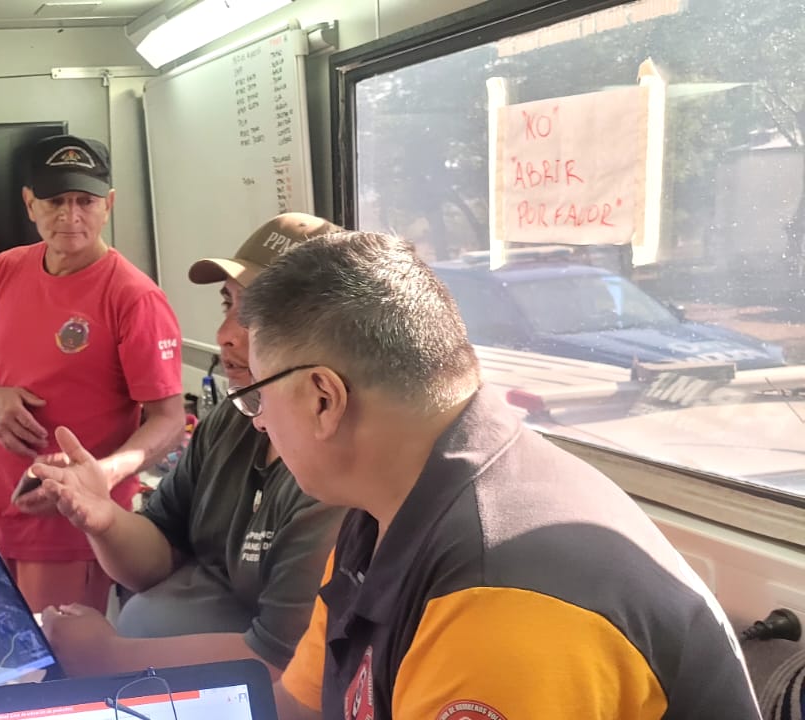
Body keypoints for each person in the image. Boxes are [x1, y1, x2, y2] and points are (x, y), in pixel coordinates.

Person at [230, 233, 759, 719]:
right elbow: (301, 705)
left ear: (323, 398)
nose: (258, 421)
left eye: (257, 396)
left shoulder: (498, 597)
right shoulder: (381, 514)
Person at [27, 213, 347, 678]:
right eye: (229, 305)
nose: (225, 335)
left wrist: (107, 655)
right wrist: (102, 517)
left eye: (256, 315)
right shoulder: (231, 421)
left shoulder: (333, 477)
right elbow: (155, 559)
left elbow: (285, 667)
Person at [0, 134, 186, 613]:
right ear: (30, 204)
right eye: (56, 201)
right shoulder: (5, 269)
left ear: (108, 205)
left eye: (85, 201)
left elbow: (169, 419)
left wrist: (102, 473)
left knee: (56, 661)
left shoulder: (133, 296)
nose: (70, 215)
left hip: (68, 528)